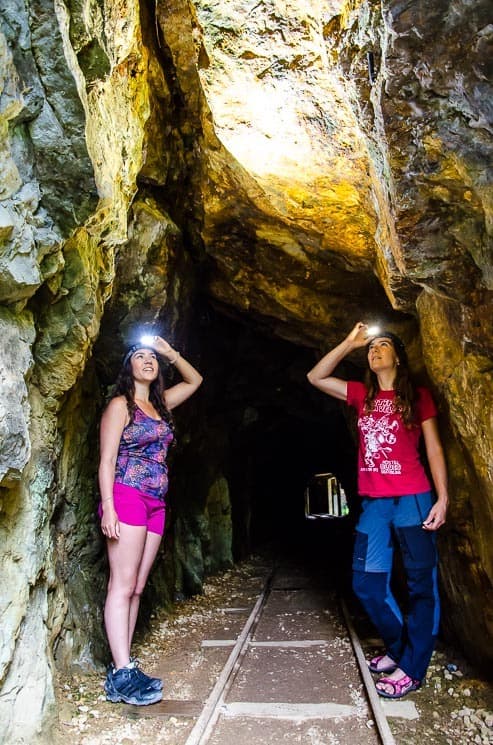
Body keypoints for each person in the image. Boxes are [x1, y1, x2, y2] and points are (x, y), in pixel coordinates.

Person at [307, 322, 448, 699]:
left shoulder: (418, 397)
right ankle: (401, 650)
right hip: (374, 502)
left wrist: (443, 497)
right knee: (367, 584)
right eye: (372, 348)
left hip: (414, 498)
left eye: (382, 345)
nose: (375, 350)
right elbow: (315, 376)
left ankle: (412, 670)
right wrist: (349, 343)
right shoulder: (361, 394)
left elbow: (433, 449)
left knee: (422, 586)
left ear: (398, 357)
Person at [98, 334, 203, 705]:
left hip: (156, 502)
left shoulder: (161, 405)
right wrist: (108, 506)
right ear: (128, 367)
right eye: (139, 356)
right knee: (122, 585)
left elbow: (195, 381)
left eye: (151, 357)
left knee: (138, 587)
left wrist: (169, 351)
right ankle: (124, 671)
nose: (147, 360)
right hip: (126, 496)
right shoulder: (120, 406)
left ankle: (123, 668)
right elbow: (107, 460)